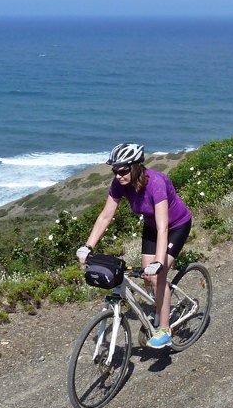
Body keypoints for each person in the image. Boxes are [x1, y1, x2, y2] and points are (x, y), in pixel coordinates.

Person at [76, 143, 192, 349]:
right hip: (151, 226)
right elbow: (105, 216)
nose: (118, 175)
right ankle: (160, 306)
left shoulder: (155, 182)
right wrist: (88, 246)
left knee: (158, 275)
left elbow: (163, 227)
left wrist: (159, 261)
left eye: (122, 170)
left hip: (175, 226)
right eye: (115, 171)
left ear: (136, 166)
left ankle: (165, 330)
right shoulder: (119, 184)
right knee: (148, 278)